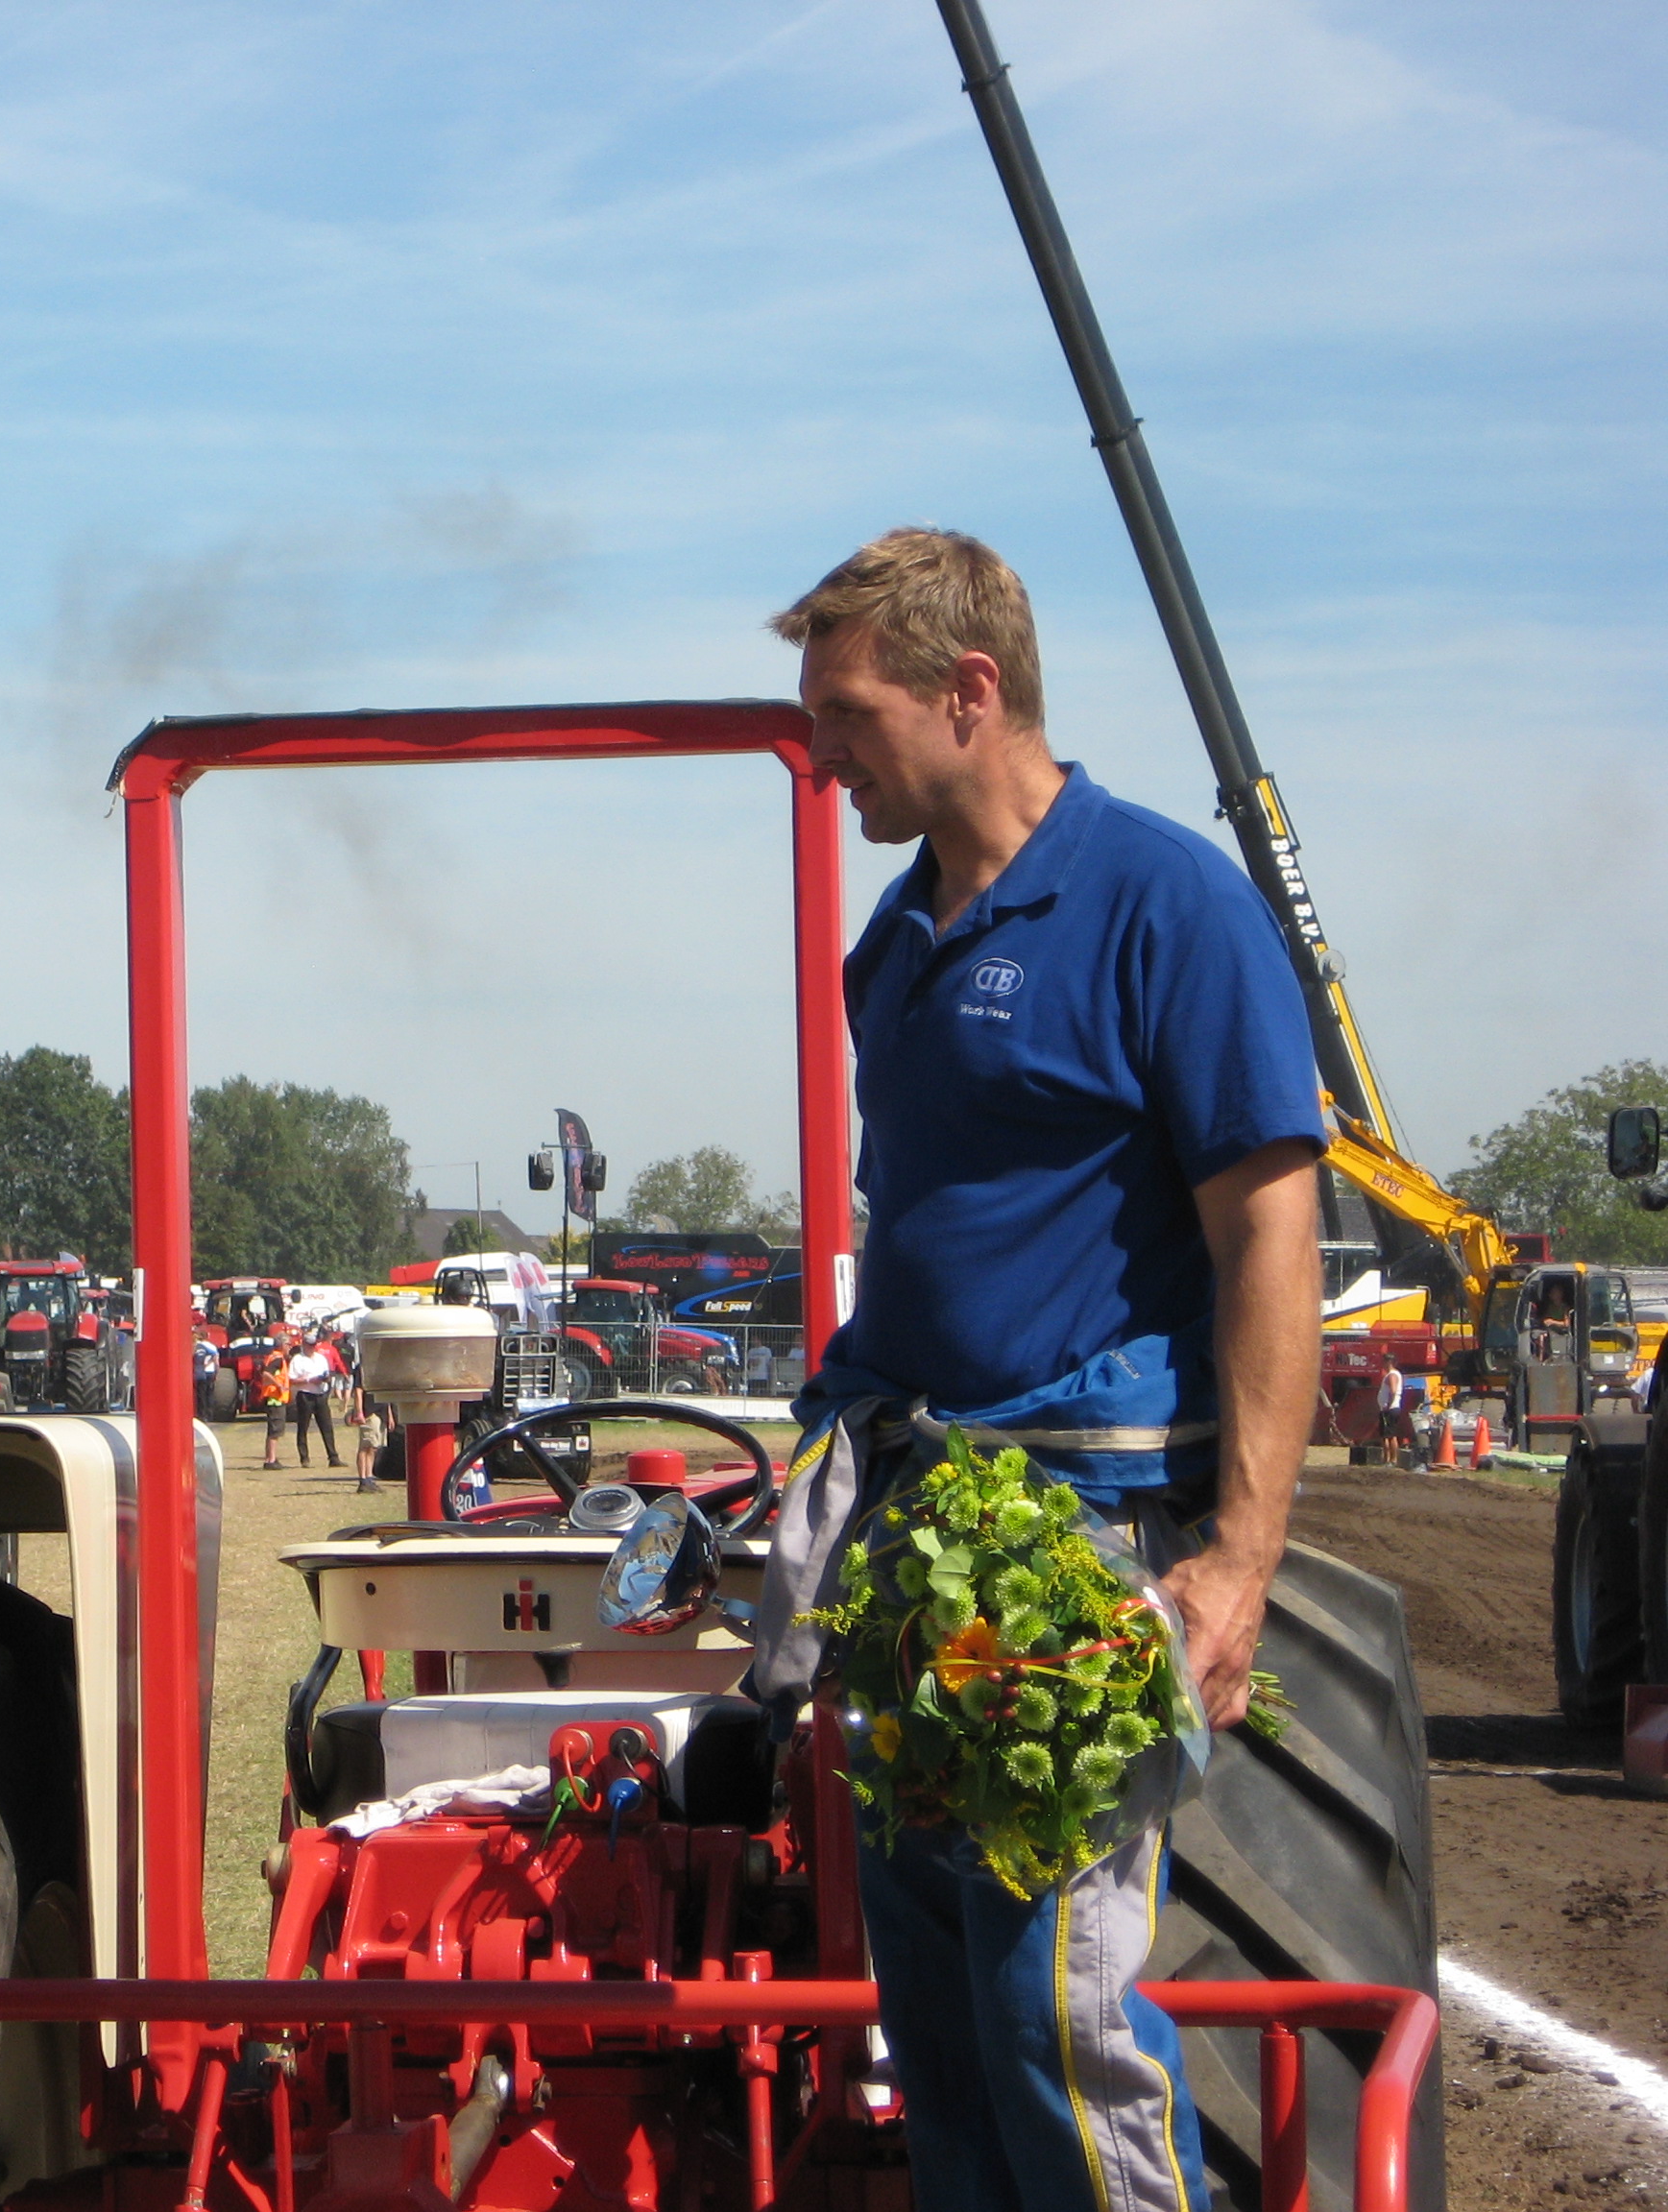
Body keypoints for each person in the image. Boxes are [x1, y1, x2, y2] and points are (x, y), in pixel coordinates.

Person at [765, 529, 1323, 2212]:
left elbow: (1269, 1232)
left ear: (969, 689)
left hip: (1074, 1533)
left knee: (1053, 2008)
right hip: (917, 1531)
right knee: (938, 2020)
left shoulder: (1166, 903)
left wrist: (1238, 1559)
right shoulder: (891, 947)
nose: (822, 752)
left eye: (847, 713)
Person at [287, 1333, 344, 1468]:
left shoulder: (320, 1358)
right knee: (303, 1427)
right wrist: (309, 1380)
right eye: (309, 1345)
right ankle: (304, 1458)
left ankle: (333, 1457)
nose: (312, 1348)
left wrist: (325, 1379)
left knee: (327, 1427)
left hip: (320, 1394)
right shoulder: (297, 1360)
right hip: (305, 1395)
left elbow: (327, 1374)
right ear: (304, 1344)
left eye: (313, 1345)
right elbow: (291, 1380)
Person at [258, 1332, 293, 1468]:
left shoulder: (272, 1357)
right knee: (275, 1430)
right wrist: (279, 1385)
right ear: (281, 1345)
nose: (290, 1347)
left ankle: (270, 1458)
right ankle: (271, 1460)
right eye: (288, 1344)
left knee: (272, 1430)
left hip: (272, 1397)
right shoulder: (278, 1359)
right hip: (275, 1398)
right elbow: (266, 1374)